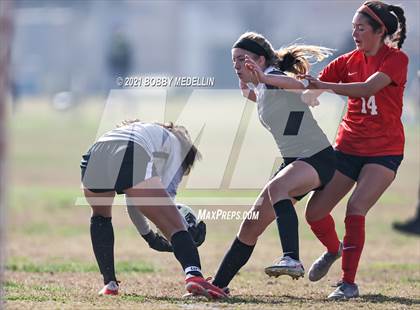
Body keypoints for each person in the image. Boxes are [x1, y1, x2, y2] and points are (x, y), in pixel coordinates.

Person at [209, 32, 335, 294]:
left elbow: (301, 87)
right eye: (233, 61)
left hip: (317, 157)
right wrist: (249, 84)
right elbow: (256, 94)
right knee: (250, 225)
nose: (237, 65)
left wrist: (263, 77)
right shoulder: (263, 87)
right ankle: (218, 286)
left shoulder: (275, 78)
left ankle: (292, 258)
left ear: (261, 59)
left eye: (242, 59)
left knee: (276, 188)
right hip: (294, 161)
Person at [301, 1, 408, 300]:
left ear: (380, 31)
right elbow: (312, 87)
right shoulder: (347, 60)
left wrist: (323, 85)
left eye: (361, 28)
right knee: (315, 212)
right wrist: (301, 91)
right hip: (347, 148)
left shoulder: (396, 59)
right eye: (353, 29)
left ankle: (348, 283)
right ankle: (333, 250)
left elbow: (368, 88)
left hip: (384, 151)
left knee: (355, 208)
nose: (355, 34)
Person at [80, 120, 227, 299]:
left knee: (100, 217)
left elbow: (135, 201)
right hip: (130, 149)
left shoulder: (146, 132)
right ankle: (194, 275)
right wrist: (183, 237)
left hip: (95, 152)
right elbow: (166, 205)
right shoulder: (175, 144)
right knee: (176, 225)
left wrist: (150, 237)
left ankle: (109, 284)